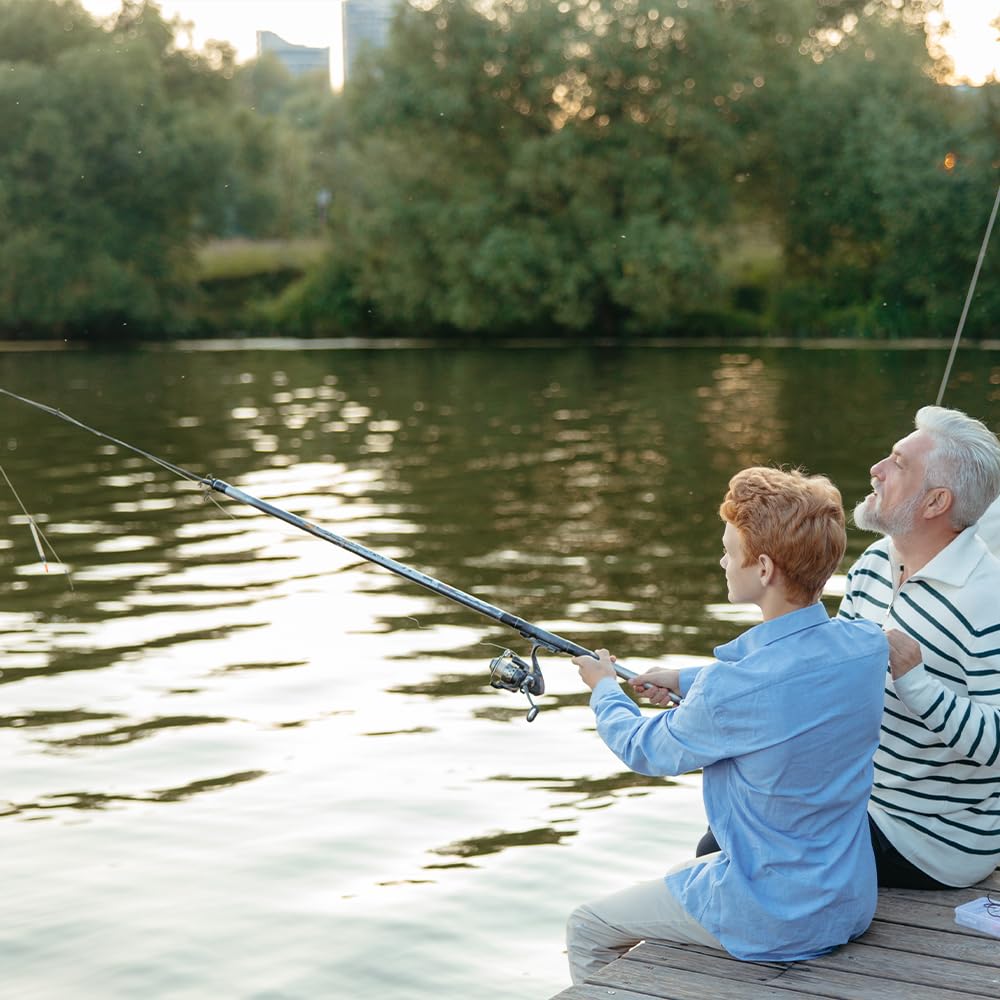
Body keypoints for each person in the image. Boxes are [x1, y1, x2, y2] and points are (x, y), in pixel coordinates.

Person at [565, 466, 888, 983]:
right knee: (677, 877)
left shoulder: (733, 690)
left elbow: (644, 748)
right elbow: (787, 675)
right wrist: (684, 679)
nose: (721, 559)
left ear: (763, 568)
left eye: (726, 549)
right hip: (849, 900)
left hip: (776, 918)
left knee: (586, 925)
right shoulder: (866, 647)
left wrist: (603, 686)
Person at [837, 405, 1000, 889]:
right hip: (864, 802)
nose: (876, 470)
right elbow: (831, 676)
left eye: (898, 463)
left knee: (732, 849)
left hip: (934, 839)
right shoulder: (873, 561)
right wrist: (700, 683)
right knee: (726, 833)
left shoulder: (988, 600)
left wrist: (915, 680)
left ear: (935, 503)